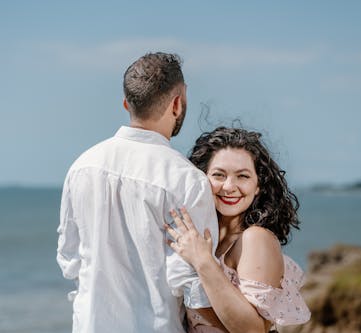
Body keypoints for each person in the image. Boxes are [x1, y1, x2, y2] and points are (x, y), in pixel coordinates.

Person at [57, 53, 260, 333]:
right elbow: (194, 288)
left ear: (127, 104)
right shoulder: (187, 180)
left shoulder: (82, 167)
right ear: (177, 104)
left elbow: (70, 261)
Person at [165, 127, 311, 332]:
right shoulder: (204, 239)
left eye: (242, 176)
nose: (229, 186)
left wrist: (203, 262)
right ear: (202, 179)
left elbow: (253, 330)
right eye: (219, 175)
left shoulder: (254, 238)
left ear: (258, 185)